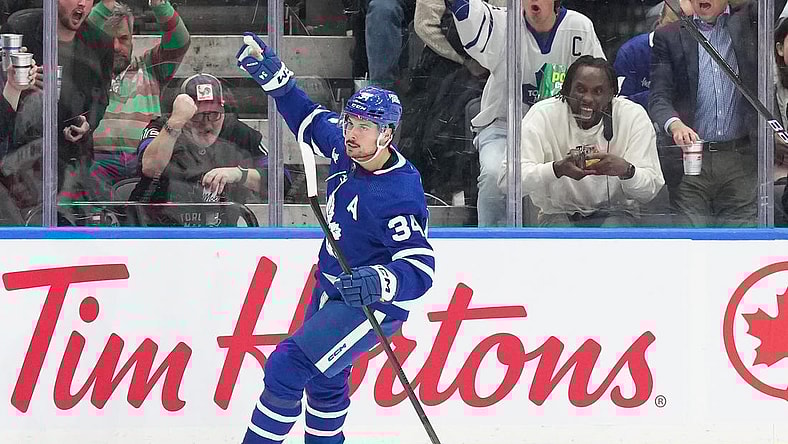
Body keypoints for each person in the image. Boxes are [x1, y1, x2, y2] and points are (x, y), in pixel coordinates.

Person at [235, 32, 435, 443]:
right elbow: (308, 120)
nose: (351, 132)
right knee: (325, 381)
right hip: (331, 290)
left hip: (371, 305)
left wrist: (378, 280)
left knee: (286, 367)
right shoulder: (347, 149)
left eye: (364, 126)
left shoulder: (398, 192)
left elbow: (420, 269)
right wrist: (280, 82)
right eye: (350, 121)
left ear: (387, 134)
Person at [448, 0, 604, 226]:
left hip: (559, 130)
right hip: (504, 126)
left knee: (565, 183)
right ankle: (491, 245)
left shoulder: (579, 27)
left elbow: (600, 83)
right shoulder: (504, 23)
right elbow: (466, 11)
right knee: (494, 174)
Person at [509, 56, 664, 226]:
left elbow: (649, 191)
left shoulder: (633, 116)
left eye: (598, 91)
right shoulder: (542, 114)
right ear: (566, 89)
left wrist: (627, 170)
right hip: (558, 213)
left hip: (618, 213)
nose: (588, 99)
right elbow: (507, 181)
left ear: (612, 94)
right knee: (559, 233)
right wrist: (556, 169)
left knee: (614, 228)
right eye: (580, 90)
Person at [649, 0, 758, 227]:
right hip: (690, 161)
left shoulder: (750, 22)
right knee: (691, 246)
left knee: (740, 245)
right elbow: (659, 97)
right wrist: (674, 123)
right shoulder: (669, 36)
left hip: (740, 159)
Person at [1, 0, 113, 216]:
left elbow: (100, 98)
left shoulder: (101, 43)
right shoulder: (20, 28)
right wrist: (20, 85)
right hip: (20, 160)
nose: (82, 3)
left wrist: (87, 123)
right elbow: (4, 85)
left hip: (71, 162)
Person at [129, 73, 278, 227]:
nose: (206, 125)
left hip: (221, 237)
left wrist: (239, 173)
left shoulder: (237, 132)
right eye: (197, 116)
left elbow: (281, 179)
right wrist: (176, 122)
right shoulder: (163, 128)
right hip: (161, 235)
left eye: (213, 115)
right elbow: (149, 166)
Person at [87, 0, 190, 196]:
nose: (116, 46)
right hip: (97, 167)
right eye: (109, 39)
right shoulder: (85, 70)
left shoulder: (151, 67)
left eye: (123, 38)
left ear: (132, 38)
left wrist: (160, 5)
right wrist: (106, 3)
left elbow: (180, 40)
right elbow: (83, 31)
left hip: (146, 165)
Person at [613, 0, 692, 109]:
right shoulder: (632, 52)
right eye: (670, 25)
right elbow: (619, 103)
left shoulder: (698, 54)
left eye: (684, 28)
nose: (676, 33)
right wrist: (663, 95)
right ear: (660, 21)